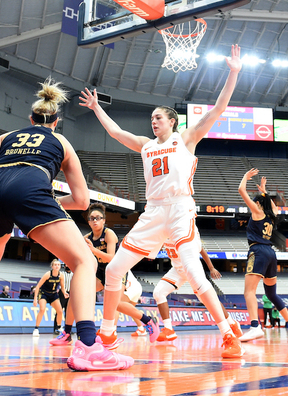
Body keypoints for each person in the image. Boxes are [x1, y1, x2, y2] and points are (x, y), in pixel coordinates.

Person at [0, 78, 132, 371]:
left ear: (30, 120)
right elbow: (81, 201)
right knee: (84, 262)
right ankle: (90, 346)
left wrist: (5, 194)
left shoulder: (7, 137)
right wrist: (44, 199)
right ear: (56, 122)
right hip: (30, 187)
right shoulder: (61, 141)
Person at [79, 45, 244, 359]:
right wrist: (97, 108)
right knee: (113, 270)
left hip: (180, 208)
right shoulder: (144, 145)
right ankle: (108, 334)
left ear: (172, 121)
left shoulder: (187, 138)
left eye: (158, 118)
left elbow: (218, 108)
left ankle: (227, 334)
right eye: (151, 118)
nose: (153, 122)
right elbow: (115, 132)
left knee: (194, 274)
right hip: (153, 212)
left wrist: (233, 71)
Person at [52, 203, 160, 346]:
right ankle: (67, 333)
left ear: (104, 220)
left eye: (98, 218)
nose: (95, 220)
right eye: (92, 218)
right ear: (89, 221)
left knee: (114, 305)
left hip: (116, 270)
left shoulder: (109, 234)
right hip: (100, 273)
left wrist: (93, 250)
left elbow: (111, 258)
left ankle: (149, 321)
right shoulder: (86, 238)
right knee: (75, 294)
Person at [236, 169, 288, 342]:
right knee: (272, 294)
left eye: (256, 202)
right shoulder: (272, 217)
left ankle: (255, 326)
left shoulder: (257, 213)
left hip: (258, 251)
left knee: (249, 291)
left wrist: (245, 177)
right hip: (271, 254)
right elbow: (273, 206)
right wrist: (263, 191)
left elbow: (241, 191)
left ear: (258, 204)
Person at [152, 241, 242, 342]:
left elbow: (201, 249)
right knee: (158, 293)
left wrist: (211, 268)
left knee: (207, 299)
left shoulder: (184, 230)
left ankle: (232, 323)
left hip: (192, 269)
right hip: (178, 270)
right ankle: (169, 329)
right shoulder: (163, 230)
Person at [32, 259, 65, 337]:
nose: (57, 266)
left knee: (60, 311)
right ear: (52, 266)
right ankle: (36, 329)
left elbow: (62, 287)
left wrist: (65, 293)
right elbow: (38, 287)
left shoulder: (61, 275)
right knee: (42, 309)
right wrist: (35, 299)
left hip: (53, 294)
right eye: (55, 265)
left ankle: (59, 328)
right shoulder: (48, 274)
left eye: (58, 265)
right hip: (44, 293)